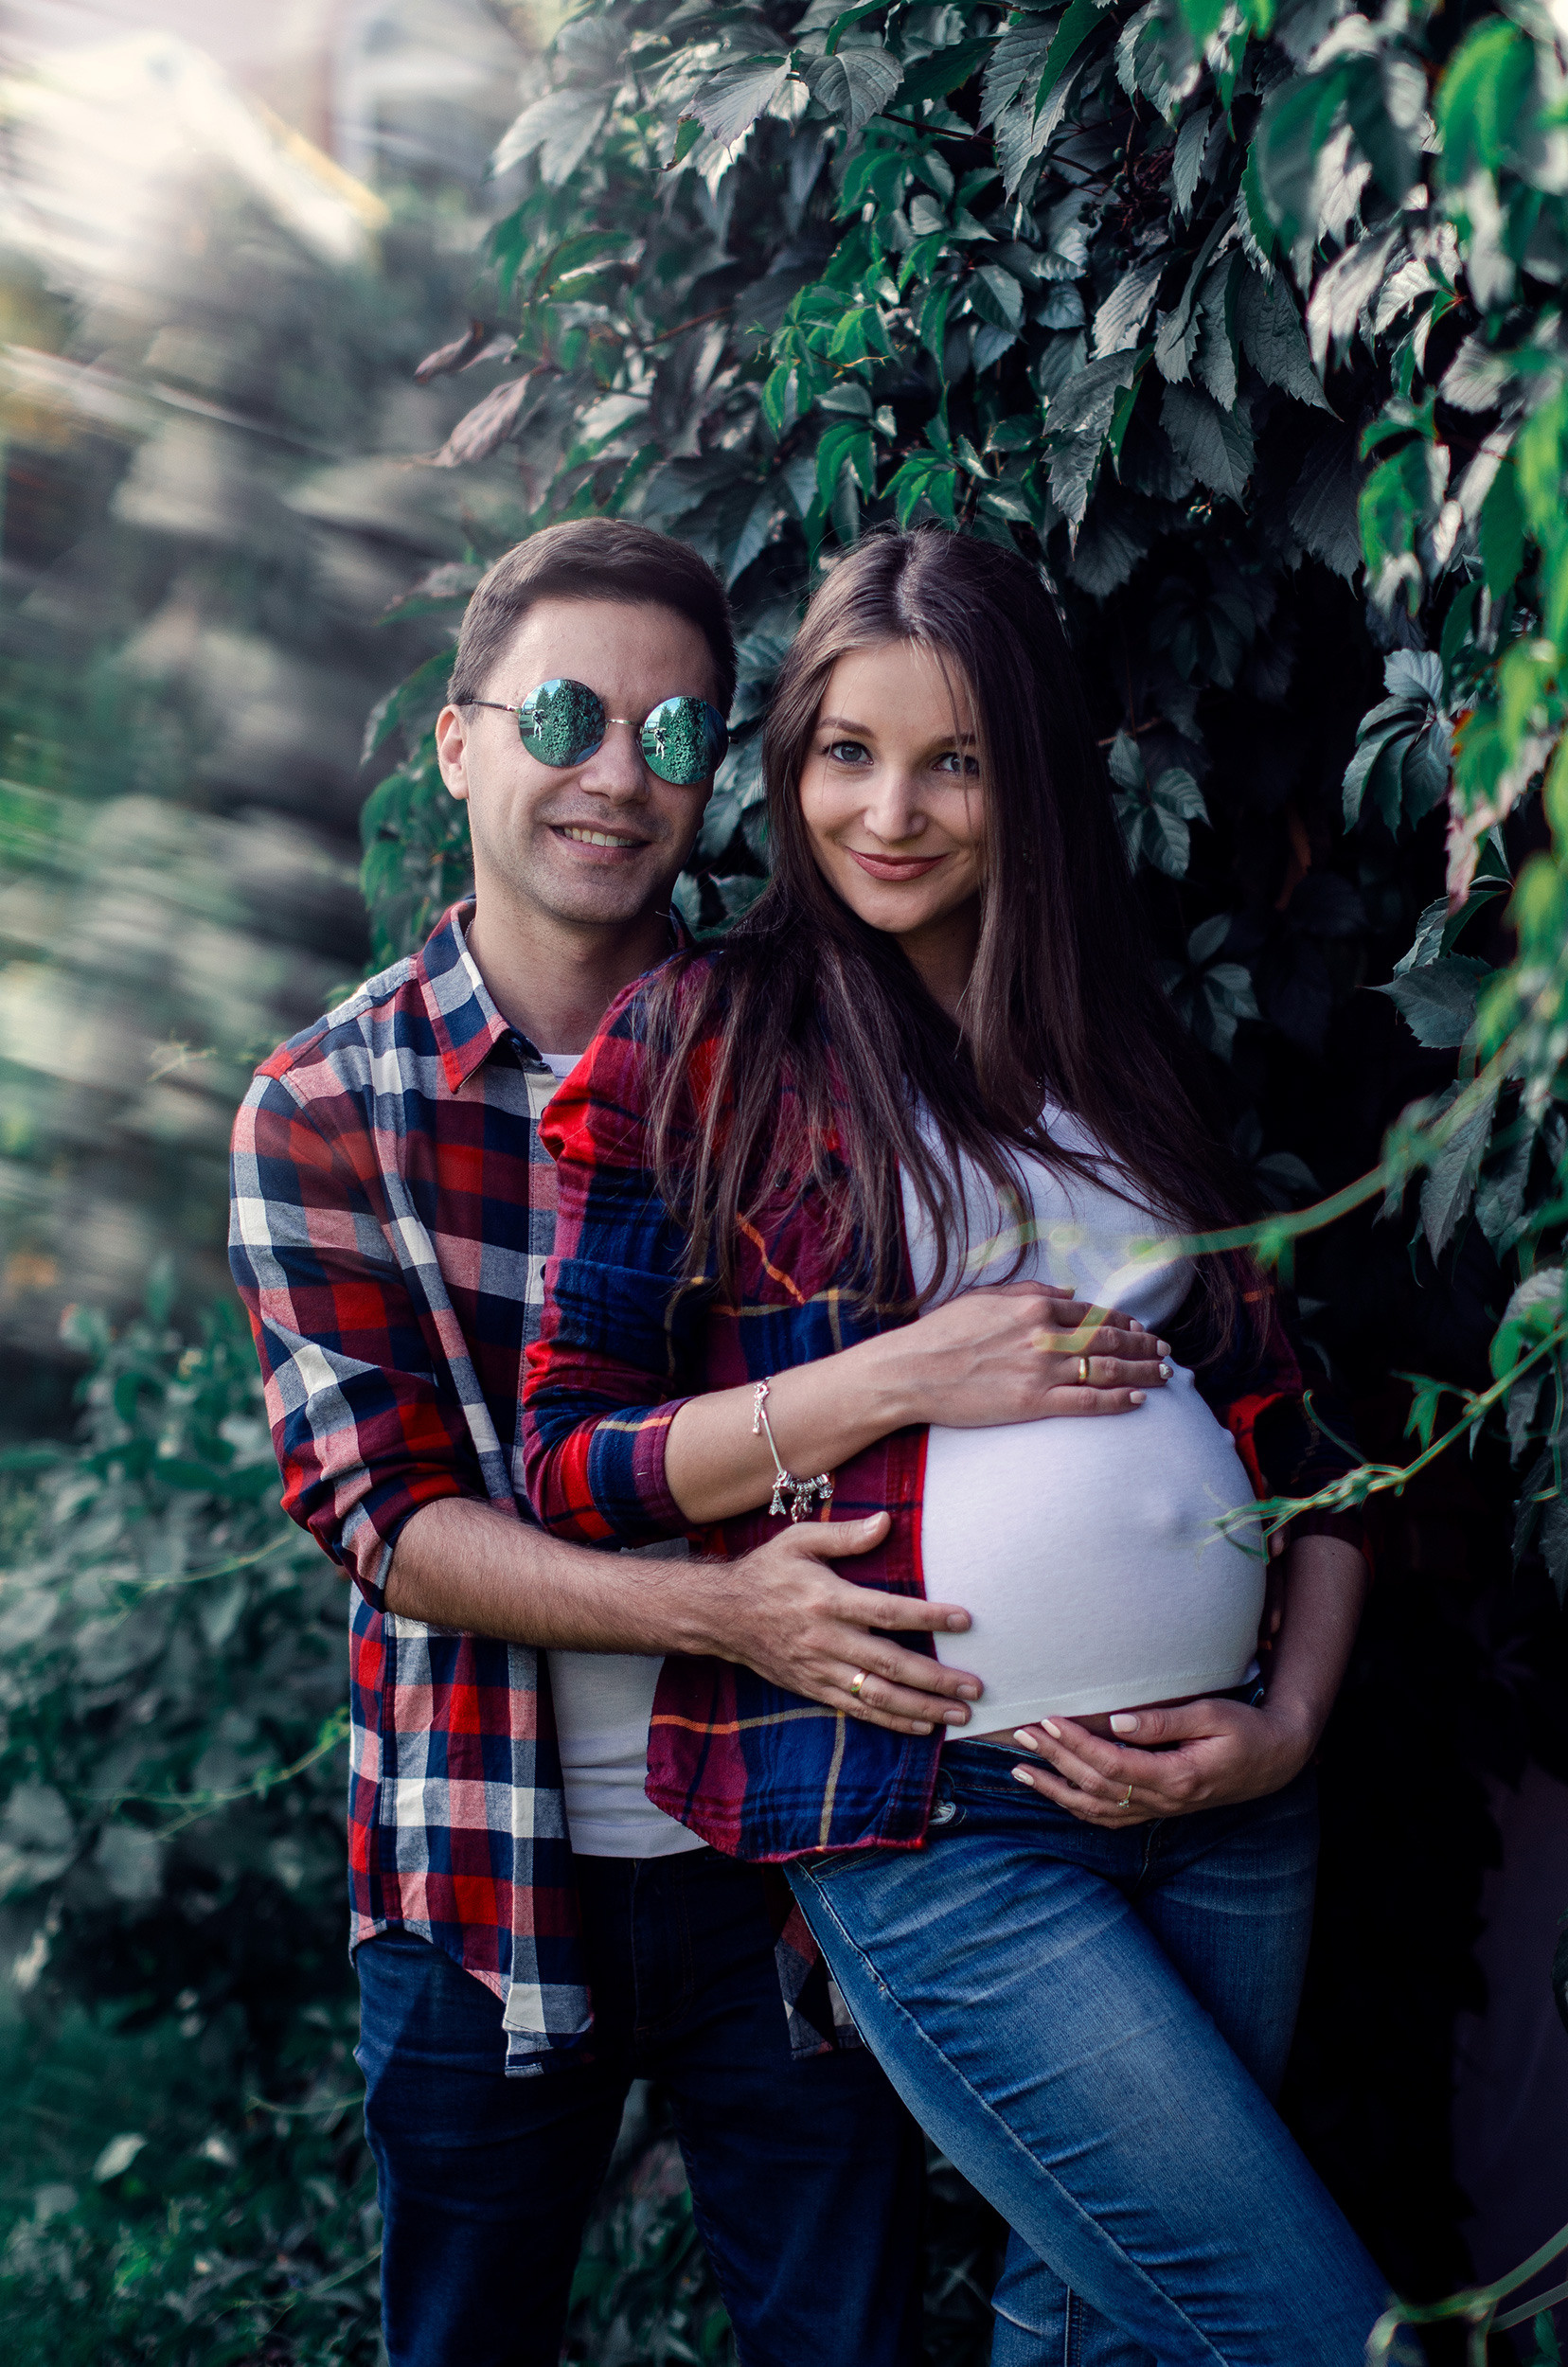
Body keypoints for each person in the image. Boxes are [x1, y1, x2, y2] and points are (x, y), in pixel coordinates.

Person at [524, 525, 1396, 2365]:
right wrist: (889, 1377)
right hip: (936, 1818)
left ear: (1031, 782)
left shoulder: (1124, 1058)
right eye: (847, 751)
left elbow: (1314, 1446)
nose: (892, 810)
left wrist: (1288, 1726)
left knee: (1104, 2330)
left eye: (955, 759)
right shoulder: (706, 1042)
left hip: (1233, 1805)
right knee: (1319, 2330)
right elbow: (571, 1457)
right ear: (790, 761)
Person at [226, 519, 1042, 2367]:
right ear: (457, 740)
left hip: (799, 1874)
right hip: (479, 1870)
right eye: (572, 717)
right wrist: (726, 1613)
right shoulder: (328, 1104)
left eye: (676, 739)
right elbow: (388, 1514)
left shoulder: (829, 1049)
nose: (619, 776)